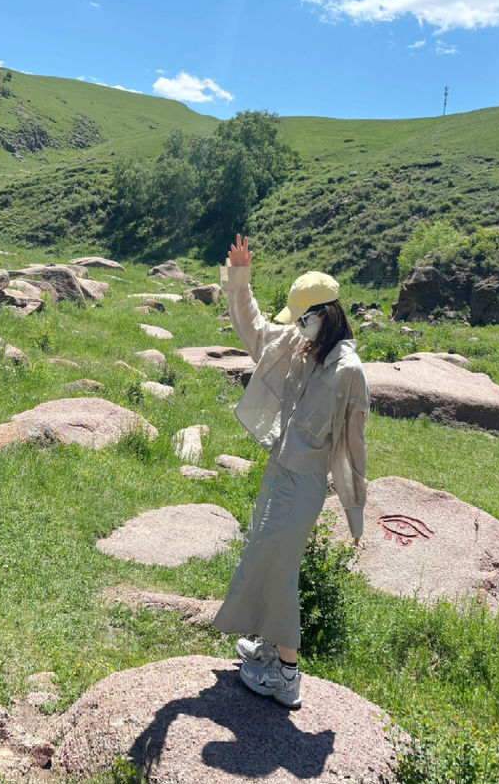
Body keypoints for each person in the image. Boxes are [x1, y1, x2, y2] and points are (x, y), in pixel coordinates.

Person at [212, 234, 369, 709]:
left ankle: (287, 674)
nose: (297, 328)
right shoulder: (301, 345)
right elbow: (254, 329)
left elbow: (354, 445)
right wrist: (240, 277)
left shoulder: (348, 370)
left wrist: (354, 509)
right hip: (277, 471)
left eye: (303, 318)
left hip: (303, 484)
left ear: (324, 314)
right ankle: (265, 643)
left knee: (279, 569)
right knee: (259, 554)